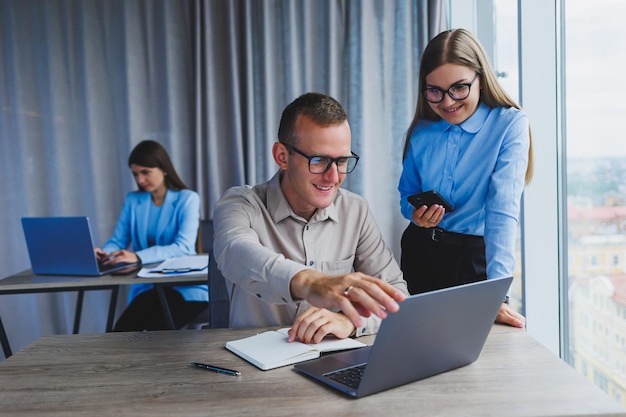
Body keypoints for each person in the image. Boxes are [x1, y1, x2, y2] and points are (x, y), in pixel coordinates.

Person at [213, 92, 408, 344]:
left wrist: (349, 322)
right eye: (319, 160)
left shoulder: (356, 210)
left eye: (341, 161)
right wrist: (311, 283)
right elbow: (235, 251)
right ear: (282, 156)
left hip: (332, 360)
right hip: (253, 367)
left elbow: (398, 297)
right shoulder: (240, 203)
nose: (333, 176)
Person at [398, 29, 532, 328]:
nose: (447, 102)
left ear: (480, 78)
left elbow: (502, 212)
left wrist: (499, 294)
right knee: (416, 350)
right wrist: (417, 216)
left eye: (459, 88)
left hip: (471, 262)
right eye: (435, 91)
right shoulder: (421, 130)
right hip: (419, 252)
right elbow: (405, 196)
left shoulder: (509, 124)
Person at [95, 140, 208, 331]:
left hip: (185, 287)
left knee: (158, 335)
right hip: (149, 287)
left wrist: (138, 257)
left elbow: (182, 247)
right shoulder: (133, 200)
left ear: (163, 169)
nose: (139, 180)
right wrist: (105, 253)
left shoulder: (187, 198)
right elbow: (118, 240)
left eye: (145, 172)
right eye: (135, 174)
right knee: (120, 334)